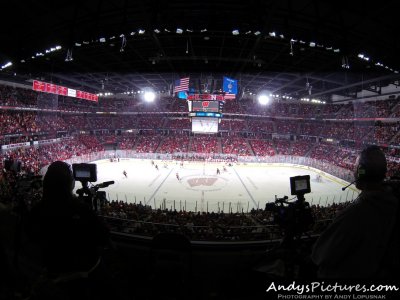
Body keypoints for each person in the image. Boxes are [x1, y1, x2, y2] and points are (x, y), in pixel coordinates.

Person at [26, 161, 116, 299]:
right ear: (70, 183)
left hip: (52, 272)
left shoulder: (36, 210)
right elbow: (105, 239)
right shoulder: (80, 209)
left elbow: (33, 240)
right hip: (84, 276)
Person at [312, 146, 399, 279]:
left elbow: (321, 255)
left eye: (356, 168)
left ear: (360, 172)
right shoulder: (392, 201)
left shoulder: (357, 213)